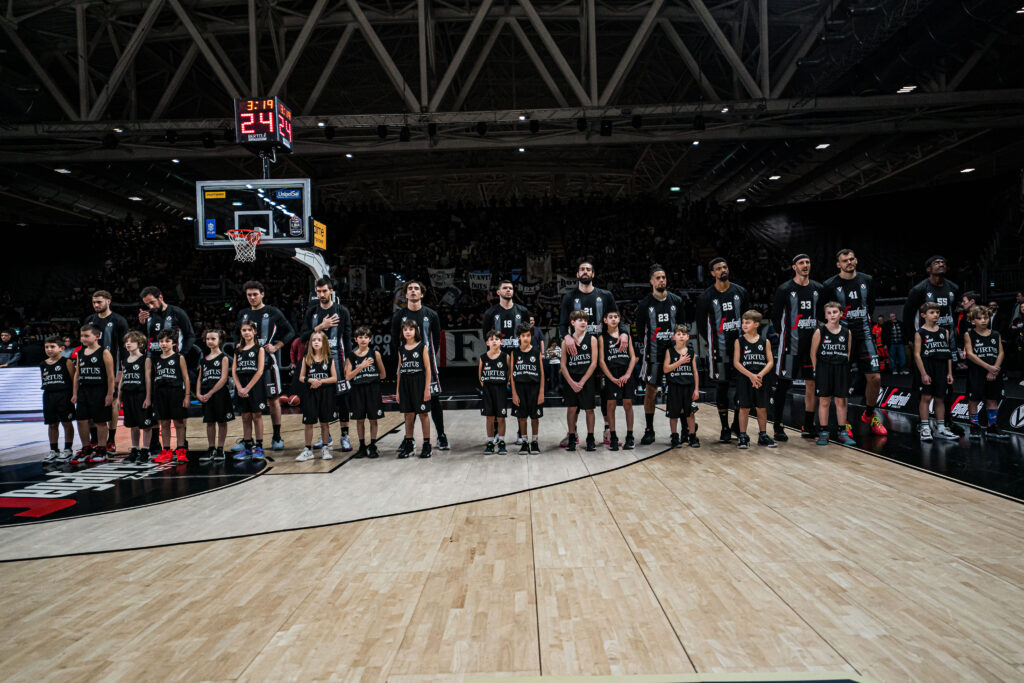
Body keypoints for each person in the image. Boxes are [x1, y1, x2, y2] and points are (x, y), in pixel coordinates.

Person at [822, 250, 887, 438]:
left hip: (864, 335)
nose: (849, 262)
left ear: (856, 260)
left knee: (875, 378)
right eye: (845, 260)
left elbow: (871, 306)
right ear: (838, 264)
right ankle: (844, 423)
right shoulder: (829, 285)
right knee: (842, 380)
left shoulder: (867, 280)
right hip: (841, 338)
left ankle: (869, 415)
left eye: (851, 259)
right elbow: (825, 313)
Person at [558, 259, 624, 446]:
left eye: (588, 269)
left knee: (605, 393)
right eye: (582, 269)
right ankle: (572, 433)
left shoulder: (605, 295)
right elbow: (562, 324)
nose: (585, 272)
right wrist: (566, 337)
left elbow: (617, 318)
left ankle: (607, 430)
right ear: (577, 274)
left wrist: (624, 333)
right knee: (576, 392)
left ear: (593, 274)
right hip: (578, 351)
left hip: (603, 350)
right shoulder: (569, 297)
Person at [903, 256, 961, 434]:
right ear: (928, 269)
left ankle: (946, 421)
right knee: (923, 384)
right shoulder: (919, 289)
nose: (941, 264)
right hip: (925, 343)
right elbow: (908, 314)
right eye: (937, 263)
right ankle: (922, 422)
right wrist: (910, 339)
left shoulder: (954, 288)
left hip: (946, 342)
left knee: (947, 385)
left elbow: (954, 313)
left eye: (943, 262)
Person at [235, 281, 295, 452]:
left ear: (262, 294)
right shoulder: (243, 313)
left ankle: (276, 436)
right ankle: (247, 440)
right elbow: (236, 333)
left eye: (255, 294)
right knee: (247, 404)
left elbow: (291, 331)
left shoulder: (272, 312)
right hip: (247, 365)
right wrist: (238, 345)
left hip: (268, 363)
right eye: (249, 295)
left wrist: (277, 346)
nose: (252, 297)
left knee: (273, 400)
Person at [695, 257, 749, 444]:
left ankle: (736, 425)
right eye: (718, 268)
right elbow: (701, 326)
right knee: (722, 386)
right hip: (720, 349)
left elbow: (748, 318)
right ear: (712, 273)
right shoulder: (706, 297)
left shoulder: (740, 292)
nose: (722, 270)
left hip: (741, 349)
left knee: (742, 387)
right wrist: (713, 341)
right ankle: (725, 428)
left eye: (725, 267)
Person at [771, 254, 824, 440]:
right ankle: (778, 426)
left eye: (808, 262)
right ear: (794, 267)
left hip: (812, 347)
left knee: (812, 384)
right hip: (790, 345)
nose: (805, 265)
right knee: (783, 384)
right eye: (801, 263)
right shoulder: (784, 289)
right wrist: (784, 335)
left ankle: (808, 426)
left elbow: (822, 316)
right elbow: (775, 317)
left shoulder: (818, 288)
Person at [391, 281, 448, 450]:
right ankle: (408, 439)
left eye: (416, 289)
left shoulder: (431, 314)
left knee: (434, 399)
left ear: (422, 294)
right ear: (405, 294)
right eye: (410, 289)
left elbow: (436, 338)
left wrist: (428, 357)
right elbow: (395, 340)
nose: (413, 291)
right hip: (408, 363)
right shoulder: (399, 316)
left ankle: (441, 435)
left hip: (427, 364)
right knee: (410, 401)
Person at [139, 286, 196, 452]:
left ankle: (182, 443)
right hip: (154, 363)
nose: (150, 306)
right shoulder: (148, 316)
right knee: (155, 402)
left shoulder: (177, 313)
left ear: (160, 297)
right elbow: (144, 338)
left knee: (178, 406)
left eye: (152, 302)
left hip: (174, 364)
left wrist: (181, 355)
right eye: (147, 304)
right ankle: (156, 442)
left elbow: (190, 335)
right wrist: (141, 324)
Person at [300, 277, 353, 451]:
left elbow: (347, 337)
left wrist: (348, 361)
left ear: (331, 291)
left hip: (337, 358)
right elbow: (303, 337)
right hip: (317, 360)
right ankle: (326, 437)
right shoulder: (312, 312)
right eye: (318, 291)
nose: (321, 294)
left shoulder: (342, 311)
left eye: (324, 291)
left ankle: (345, 436)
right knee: (322, 398)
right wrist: (320, 326)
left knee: (342, 398)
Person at [637, 264, 684, 445]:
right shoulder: (644, 304)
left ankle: (683, 430)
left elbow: (682, 328)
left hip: (674, 354)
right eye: (658, 278)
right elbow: (640, 331)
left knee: (678, 391)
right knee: (651, 391)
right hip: (654, 355)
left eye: (663, 277)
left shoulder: (677, 301)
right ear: (651, 281)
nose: (661, 280)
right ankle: (649, 430)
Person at [481, 279, 529, 444]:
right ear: (498, 292)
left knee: (520, 397)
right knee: (496, 398)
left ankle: (521, 433)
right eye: (505, 288)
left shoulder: (522, 311)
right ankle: (495, 433)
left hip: (518, 359)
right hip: (498, 360)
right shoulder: (490, 313)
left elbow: (527, 336)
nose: (508, 290)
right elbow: (486, 338)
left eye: (511, 288)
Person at [84, 290, 129, 454]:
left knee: (113, 402)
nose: (96, 305)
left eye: (99, 302)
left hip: (112, 367)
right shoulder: (89, 320)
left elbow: (124, 347)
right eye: (94, 302)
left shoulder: (118, 320)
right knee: (91, 402)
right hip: (92, 368)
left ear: (108, 301)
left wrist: (121, 371)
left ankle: (111, 439)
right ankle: (95, 439)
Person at [811, 302, 856, 446]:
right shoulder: (820, 332)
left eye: (835, 312)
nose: (832, 315)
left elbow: (848, 352)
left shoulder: (847, 332)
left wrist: (845, 368)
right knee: (824, 401)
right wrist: (817, 370)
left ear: (841, 314)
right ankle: (824, 432)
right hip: (824, 368)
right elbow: (813, 353)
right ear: (825, 315)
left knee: (841, 401)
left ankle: (842, 432)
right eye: (829, 313)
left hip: (841, 369)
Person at [70, 323, 114, 464]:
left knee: (100, 421)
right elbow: (77, 374)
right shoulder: (80, 353)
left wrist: (109, 394)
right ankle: (86, 447)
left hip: (99, 390)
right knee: (82, 420)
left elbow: (110, 376)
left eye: (86, 336)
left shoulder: (104, 352)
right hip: (84, 390)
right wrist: (75, 393)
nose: (83, 338)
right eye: (82, 336)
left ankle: (101, 448)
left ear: (97, 336)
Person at [913, 302, 957, 442]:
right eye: (932, 312)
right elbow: (917, 355)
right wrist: (923, 374)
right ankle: (925, 427)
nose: (936, 315)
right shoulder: (920, 333)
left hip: (941, 367)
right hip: (927, 366)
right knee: (926, 397)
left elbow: (948, 353)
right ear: (923, 315)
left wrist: (949, 373)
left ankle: (941, 428)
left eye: (937, 312)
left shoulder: (945, 332)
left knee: (940, 398)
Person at [732, 311, 775, 449]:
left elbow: (770, 362)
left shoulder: (765, 341)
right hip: (745, 378)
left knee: (761, 408)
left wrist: (760, 375)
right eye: (743, 322)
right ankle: (742, 436)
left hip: (761, 379)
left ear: (756, 324)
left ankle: (763, 435)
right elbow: (736, 362)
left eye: (747, 322)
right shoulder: (739, 341)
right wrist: (751, 376)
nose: (744, 325)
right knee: (744, 408)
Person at [964, 306, 1007, 440]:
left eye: (986, 318)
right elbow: (970, 354)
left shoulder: (995, 334)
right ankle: (974, 426)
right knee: (974, 400)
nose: (983, 320)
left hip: (993, 372)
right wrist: (988, 367)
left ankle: (992, 427)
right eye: (979, 318)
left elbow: (1001, 352)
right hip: (977, 372)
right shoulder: (969, 334)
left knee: (992, 399)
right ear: (973, 320)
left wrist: (995, 369)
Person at [297, 331, 339, 462]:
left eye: (319, 340)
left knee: (324, 422)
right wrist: (310, 380)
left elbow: (334, 378)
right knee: (308, 423)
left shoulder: (329, 359)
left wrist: (320, 382)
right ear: (310, 343)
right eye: (314, 340)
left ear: (324, 343)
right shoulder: (307, 358)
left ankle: (325, 447)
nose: (316, 342)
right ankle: (307, 450)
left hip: (325, 394)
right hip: (310, 394)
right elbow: (301, 377)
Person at [560, 310, 599, 452]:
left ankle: (590, 438)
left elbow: (593, 363)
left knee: (589, 409)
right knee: (571, 409)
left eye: (585, 320)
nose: (583, 322)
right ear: (572, 322)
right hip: (571, 379)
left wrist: (582, 382)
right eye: (580, 320)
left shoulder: (592, 339)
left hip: (586, 379)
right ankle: (572, 437)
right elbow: (563, 365)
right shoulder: (566, 342)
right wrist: (571, 382)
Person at [345, 326, 385, 459]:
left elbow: (383, 374)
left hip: (373, 390)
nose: (363, 339)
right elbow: (348, 377)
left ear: (370, 339)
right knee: (360, 420)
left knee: (373, 419)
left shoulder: (375, 354)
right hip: (357, 391)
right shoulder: (351, 356)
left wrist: (371, 377)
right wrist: (361, 366)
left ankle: (373, 445)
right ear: (355, 339)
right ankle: (362, 447)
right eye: (360, 337)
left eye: (366, 337)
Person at [600, 310, 637, 451]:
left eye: (616, 317)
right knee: (611, 405)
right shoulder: (602, 337)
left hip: (626, 373)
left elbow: (633, 357)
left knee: (628, 404)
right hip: (612, 374)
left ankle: (630, 436)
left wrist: (627, 374)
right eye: (610, 317)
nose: (614, 319)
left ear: (619, 319)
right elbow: (601, 361)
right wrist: (611, 378)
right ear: (605, 320)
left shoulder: (626, 336)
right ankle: (613, 437)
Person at [152, 329, 190, 463]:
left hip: (176, 392)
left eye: (167, 341)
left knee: (179, 422)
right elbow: (155, 377)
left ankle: (181, 450)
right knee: (164, 423)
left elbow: (186, 378)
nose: (163, 344)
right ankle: (166, 451)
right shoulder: (156, 359)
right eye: (161, 341)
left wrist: (187, 396)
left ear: (174, 343)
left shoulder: (179, 357)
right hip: (161, 393)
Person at [395, 319, 433, 459]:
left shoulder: (422, 346)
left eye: (410, 329)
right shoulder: (401, 349)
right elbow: (399, 371)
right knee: (408, 415)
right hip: (405, 384)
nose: (408, 332)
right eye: (405, 329)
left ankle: (427, 444)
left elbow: (428, 368)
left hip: (419, 383)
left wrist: (427, 388)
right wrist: (397, 391)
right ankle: (409, 444)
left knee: (423, 414)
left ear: (415, 331)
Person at [232, 321, 267, 461]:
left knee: (256, 416)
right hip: (241, 385)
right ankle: (247, 447)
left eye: (249, 330)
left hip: (255, 386)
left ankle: (259, 447)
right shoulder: (238, 350)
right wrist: (239, 387)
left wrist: (247, 388)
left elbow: (260, 371)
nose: (246, 332)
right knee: (245, 416)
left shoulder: (259, 349)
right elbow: (234, 371)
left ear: (254, 332)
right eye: (244, 330)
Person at [197, 329, 233, 463]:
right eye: (208, 339)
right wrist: (198, 393)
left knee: (222, 422)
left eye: (213, 339)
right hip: (206, 393)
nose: (210, 341)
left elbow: (223, 379)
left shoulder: (223, 358)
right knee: (210, 422)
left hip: (220, 394)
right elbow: (200, 378)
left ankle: (220, 449)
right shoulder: (204, 359)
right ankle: (211, 448)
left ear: (220, 340)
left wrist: (210, 393)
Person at [119, 331, 155, 463]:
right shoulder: (124, 360)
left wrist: (148, 397)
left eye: (132, 341)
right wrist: (119, 398)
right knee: (132, 425)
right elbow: (122, 380)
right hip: (127, 395)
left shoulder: (145, 359)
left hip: (140, 394)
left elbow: (148, 379)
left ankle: (146, 450)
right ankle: (135, 449)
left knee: (146, 425)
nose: (128, 344)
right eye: (126, 342)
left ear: (140, 344)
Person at [40, 335, 75, 462]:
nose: (49, 349)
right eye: (46, 347)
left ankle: (68, 449)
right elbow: (43, 380)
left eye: (52, 347)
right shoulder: (43, 364)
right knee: (52, 424)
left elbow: (73, 380)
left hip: (64, 395)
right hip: (49, 395)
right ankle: (54, 450)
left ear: (61, 348)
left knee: (67, 422)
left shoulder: (67, 362)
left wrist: (74, 395)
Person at [510, 323, 544, 454]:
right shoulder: (514, 352)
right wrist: (514, 393)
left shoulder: (536, 352)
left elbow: (541, 374)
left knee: (535, 417)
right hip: (519, 389)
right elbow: (512, 375)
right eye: (523, 335)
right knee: (522, 418)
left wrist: (541, 392)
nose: (525, 338)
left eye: (528, 335)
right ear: (519, 337)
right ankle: (524, 442)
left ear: (531, 336)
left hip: (534, 388)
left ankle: (534, 442)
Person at [664, 324, 699, 448]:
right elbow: (666, 369)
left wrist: (696, 389)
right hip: (675, 387)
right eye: (678, 334)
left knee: (690, 413)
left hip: (689, 386)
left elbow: (695, 372)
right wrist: (680, 362)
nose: (681, 336)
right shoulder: (670, 351)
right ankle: (674, 437)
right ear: (674, 337)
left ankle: (692, 436)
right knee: (674, 414)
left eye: (683, 334)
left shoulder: (691, 352)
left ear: (688, 337)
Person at [478, 330, 509, 454]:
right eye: (491, 339)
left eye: (496, 339)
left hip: (500, 390)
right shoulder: (483, 357)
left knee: (501, 418)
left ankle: (501, 442)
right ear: (487, 342)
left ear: (501, 342)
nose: (494, 341)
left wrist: (506, 383)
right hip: (488, 391)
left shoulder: (505, 356)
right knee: (489, 418)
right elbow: (480, 376)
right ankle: (490, 442)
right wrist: (486, 386)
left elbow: (509, 373)